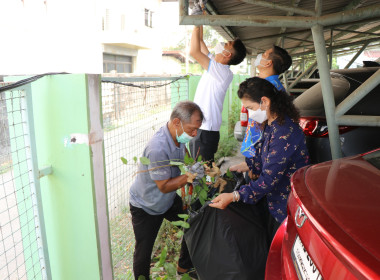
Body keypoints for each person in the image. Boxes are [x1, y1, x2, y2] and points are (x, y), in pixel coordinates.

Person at [210, 77, 309, 241]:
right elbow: (266, 155)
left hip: (285, 205)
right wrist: (247, 165)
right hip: (274, 200)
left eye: (250, 108)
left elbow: (269, 179)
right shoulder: (272, 123)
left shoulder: (284, 132)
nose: (249, 113)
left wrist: (234, 195)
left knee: (279, 248)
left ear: (264, 101)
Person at [129, 101, 204, 279]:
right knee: (144, 251)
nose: (195, 134)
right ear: (177, 122)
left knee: (193, 223)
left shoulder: (176, 137)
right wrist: (189, 176)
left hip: (168, 200)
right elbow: (163, 186)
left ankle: (184, 266)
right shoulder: (158, 148)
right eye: (192, 129)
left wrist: (193, 165)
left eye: (197, 130)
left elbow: (183, 155)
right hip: (146, 205)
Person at [189, 25, 246, 163]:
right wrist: (200, 20)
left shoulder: (222, 72)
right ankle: (210, 184)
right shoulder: (215, 65)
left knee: (203, 173)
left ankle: (211, 185)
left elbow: (194, 52)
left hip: (206, 130)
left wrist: (196, 23)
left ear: (227, 54)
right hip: (204, 129)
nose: (222, 44)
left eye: (226, 44)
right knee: (200, 171)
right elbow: (200, 41)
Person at [232, 45, 292, 173]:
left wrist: (254, 164)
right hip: (257, 153)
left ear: (268, 63)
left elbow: (266, 127)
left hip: (258, 154)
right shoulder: (269, 85)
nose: (260, 56)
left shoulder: (269, 89)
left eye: (264, 54)